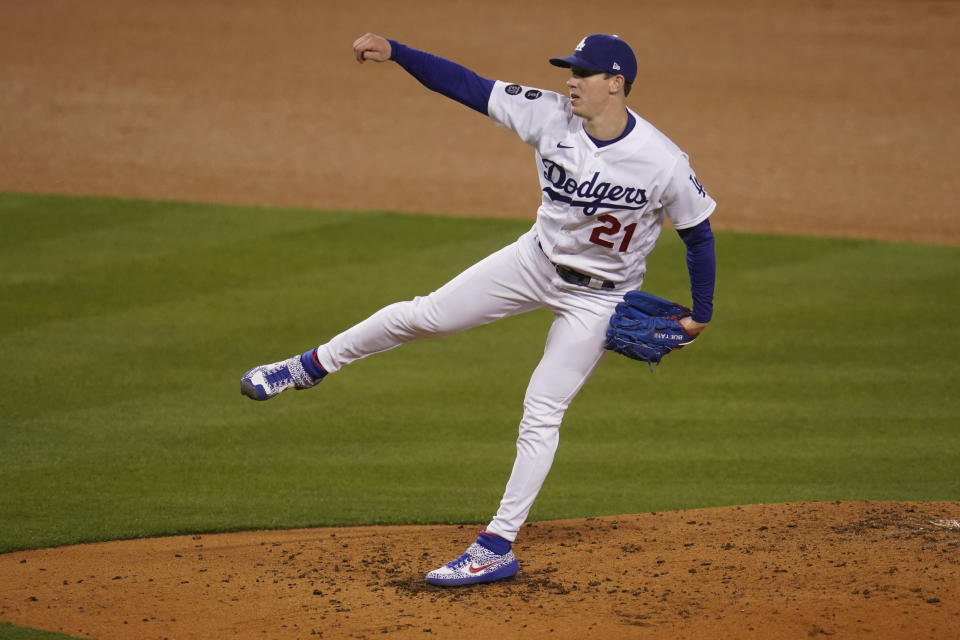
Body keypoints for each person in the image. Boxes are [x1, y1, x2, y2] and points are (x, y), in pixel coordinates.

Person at [241, 32, 717, 587]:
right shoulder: (549, 114)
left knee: (542, 411)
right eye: (570, 70)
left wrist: (701, 313)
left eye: (583, 73)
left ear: (616, 84)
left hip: (600, 298)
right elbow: (468, 86)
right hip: (532, 261)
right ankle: (307, 366)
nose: (570, 80)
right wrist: (397, 51)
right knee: (424, 315)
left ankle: (496, 545)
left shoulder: (662, 161)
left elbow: (698, 236)